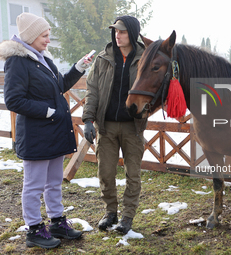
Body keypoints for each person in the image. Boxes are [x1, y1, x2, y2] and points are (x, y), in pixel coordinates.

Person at [0, 12, 93, 249]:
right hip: (36, 136)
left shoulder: (42, 58)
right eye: (44, 35)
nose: (48, 40)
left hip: (54, 133)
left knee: (53, 182)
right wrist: (47, 111)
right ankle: (33, 229)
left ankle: (57, 222)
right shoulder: (17, 61)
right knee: (33, 186)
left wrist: (79, 67)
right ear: (31, 36)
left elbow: (59, 85)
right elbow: (13, 100)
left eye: (48, 35)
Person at [82, 15, 146, 234]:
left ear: (133, 33)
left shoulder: (144, 59)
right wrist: (88, 119)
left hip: (132, 127)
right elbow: (92, 90)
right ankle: (111, 212)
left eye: (123, 31)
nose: (117, 35)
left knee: (133, 174)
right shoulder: (103, 58)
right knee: (105, 173)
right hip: (106, 126)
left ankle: (128, 217)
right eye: (115, 31)